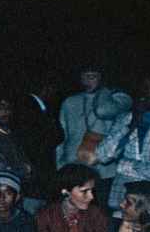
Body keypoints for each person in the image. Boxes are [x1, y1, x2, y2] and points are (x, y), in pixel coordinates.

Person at [93, 72, 150, 219]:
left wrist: (124, 165)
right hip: (122, 203)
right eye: (142, 85)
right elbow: (102, 155)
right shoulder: (125, 118)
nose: (145, 90)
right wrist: (129, 127)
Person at [57, 65, 133, 208]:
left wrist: (103, 90)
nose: (89, 80)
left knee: (100, 214)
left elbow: (103, 111)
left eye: (94, 76)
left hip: (103, 171)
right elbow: (64, 135)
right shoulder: (70, 102)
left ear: (102, 77)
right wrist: (61, 164)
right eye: (86, 76)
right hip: (75, 168)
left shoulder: (119, 98)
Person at [15, 79, 63, 211]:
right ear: (46, 89)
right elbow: (48, 137)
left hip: (39, 167)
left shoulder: (38, 107)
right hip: (37, 166)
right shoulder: (29, 107)